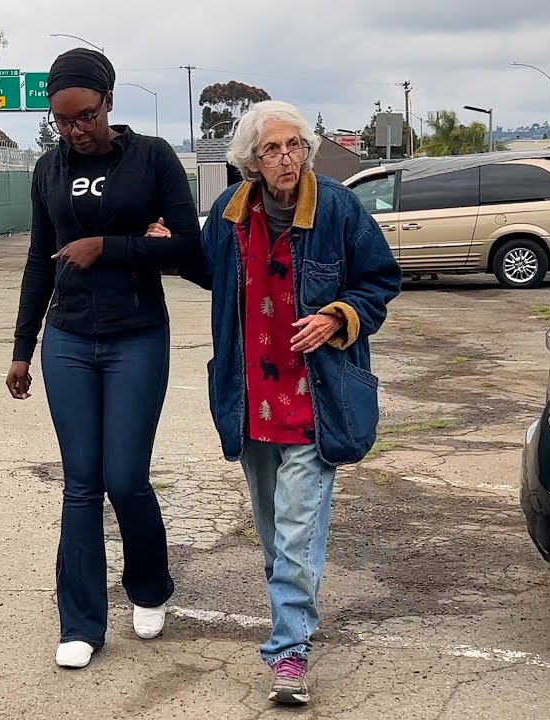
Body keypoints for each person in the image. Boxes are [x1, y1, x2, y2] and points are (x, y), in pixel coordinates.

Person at [150, 100, 401, 703]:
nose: (285, 158)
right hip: (250, 399)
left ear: (306, 151)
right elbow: (213, 273)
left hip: (315, 400)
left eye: (293, 146)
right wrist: (170, 248)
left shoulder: (338, 208)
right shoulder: (228, 215)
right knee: (274, 535)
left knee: (294, 534)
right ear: (251, 161)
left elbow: (380, 280)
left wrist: (339, 317)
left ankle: (289, 652)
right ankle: (294, 621)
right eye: (271, 149)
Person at [5, 48, 201, 670]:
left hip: (137, 334)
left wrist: (107, 247)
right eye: (62, 121)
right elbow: (41, 259)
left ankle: (149, 588)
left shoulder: (152, 158)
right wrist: (22, 349)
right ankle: (82, 623)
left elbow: (187, 246)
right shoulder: (47, 169)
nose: (75, 130)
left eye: (85, 116)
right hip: (67, 338)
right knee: (81, 483)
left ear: (109, 103)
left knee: (126, 478)